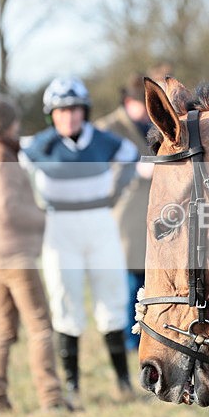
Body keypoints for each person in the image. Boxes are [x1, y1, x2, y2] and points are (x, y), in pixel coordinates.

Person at [22, 76, 139, 409]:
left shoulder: (101, 139)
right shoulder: (40, 145)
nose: (68, 117)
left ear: (84, 111)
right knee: (65, 302)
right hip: (59, 228)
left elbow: (131, 155)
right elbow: (18, 172)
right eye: (61, 111)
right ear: (51, 115)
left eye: (74, 110)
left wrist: (116, 192)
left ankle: (123, 382)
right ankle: (72, 386)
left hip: (100, 224)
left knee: (112, 301)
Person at [0, 87, 69, 412]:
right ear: (6, 125)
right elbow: (9, 208)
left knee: (3, 330)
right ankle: (51, 399)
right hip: (15, 258)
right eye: (15, 122)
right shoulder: (2, 157)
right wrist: (44, 218)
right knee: (41, 328)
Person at [94, 73, 155, 351]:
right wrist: (135, 170)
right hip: (124, 213)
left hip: (150, 211)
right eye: (143, 105)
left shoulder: (149, 125)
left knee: (147, 277)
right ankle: (131, 339)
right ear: (129, 102)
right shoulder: (107, 128)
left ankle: (147, 333)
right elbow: (100, 170)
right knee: (129, 279)